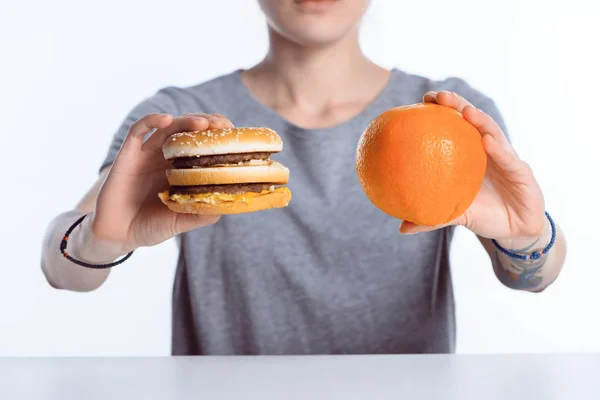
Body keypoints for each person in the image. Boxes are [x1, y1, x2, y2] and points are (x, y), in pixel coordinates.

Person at [41, 0, 566, 355]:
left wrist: (526, 238)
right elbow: (61, 268)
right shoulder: (180, 117)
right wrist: (97, 240)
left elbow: (536, 274)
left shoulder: (451, 116)